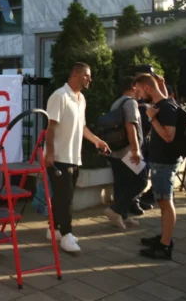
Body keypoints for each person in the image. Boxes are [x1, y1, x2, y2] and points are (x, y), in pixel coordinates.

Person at [45, 62, 111, 256]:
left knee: (64, 196)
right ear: (75, 74)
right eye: (86, 75)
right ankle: (66, 235)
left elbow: (82, 127)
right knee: (65, 199)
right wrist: (50, 153)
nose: (90, 79)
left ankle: (53, 229)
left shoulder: (81, 99)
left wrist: (96, 140)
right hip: (59, 157)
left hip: (74, 157)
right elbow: (50, 128)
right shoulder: (59, 96)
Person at [134, 73, 180, 260]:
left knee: (166, 203)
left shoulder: (165, 108)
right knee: (162, 202)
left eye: (138, 89)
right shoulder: (162, 105)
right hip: (161, 162)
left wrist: (152, 118)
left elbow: (169, 136)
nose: (137, 93)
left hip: (165, 163)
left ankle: (165, 247)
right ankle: (164, 238)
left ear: (146, 88)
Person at [104, 77, 146, 229]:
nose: (142, 92)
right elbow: (130, 127)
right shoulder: (131, 102)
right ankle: (115, 211)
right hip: (128, 152)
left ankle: (123, 215)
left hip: (115, 151)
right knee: (141, 180)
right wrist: (135, 150)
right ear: (134, 87)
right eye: (140, 88)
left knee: (122, 184)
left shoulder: (117, 103)